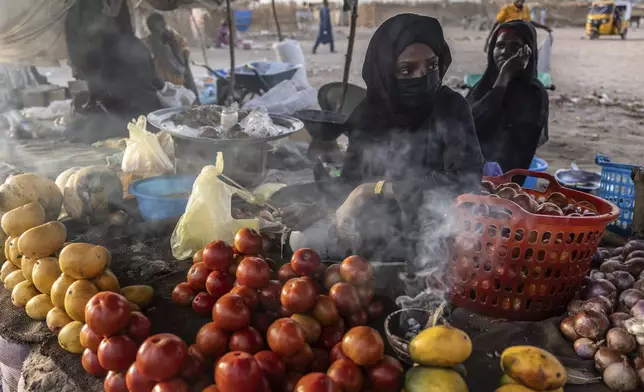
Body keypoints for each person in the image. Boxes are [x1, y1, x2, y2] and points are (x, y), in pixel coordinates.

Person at [271, 14, 483, 266]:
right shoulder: (369, 114)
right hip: (374, 226)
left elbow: (465, 179)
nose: (423, 77)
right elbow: (350, 180)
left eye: (432, 66)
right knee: (297, 230)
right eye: (407, 70)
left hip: (433, 235)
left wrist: (374, 189)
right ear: (385, 72)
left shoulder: (450, 108)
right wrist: (318, 208)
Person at [467, 20, 549, 181]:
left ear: (528, 53)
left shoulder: (533, 93)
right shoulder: (482, 86)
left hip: (504, 183)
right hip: (466, 176)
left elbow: (515, 149)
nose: (505, 51)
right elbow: (465, 127)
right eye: (500, 45)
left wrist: (505, 75)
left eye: (515, 47)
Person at [146, 12, 199, 98]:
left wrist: (182, 57)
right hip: (165, 74)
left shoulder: (173, 35)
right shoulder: (151, 40)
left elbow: (184, 48)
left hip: (179, 70)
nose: (159, 28)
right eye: (155, 26)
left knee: (187, 95)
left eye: (161, 24)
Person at [485, 0, 551, 51]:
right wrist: (488, 39)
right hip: (507, 39)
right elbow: (496, 23)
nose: (520, 1)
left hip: (521, 39)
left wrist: (544, 27)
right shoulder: (507, 9)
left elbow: (529, 22)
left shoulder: (525, 9)